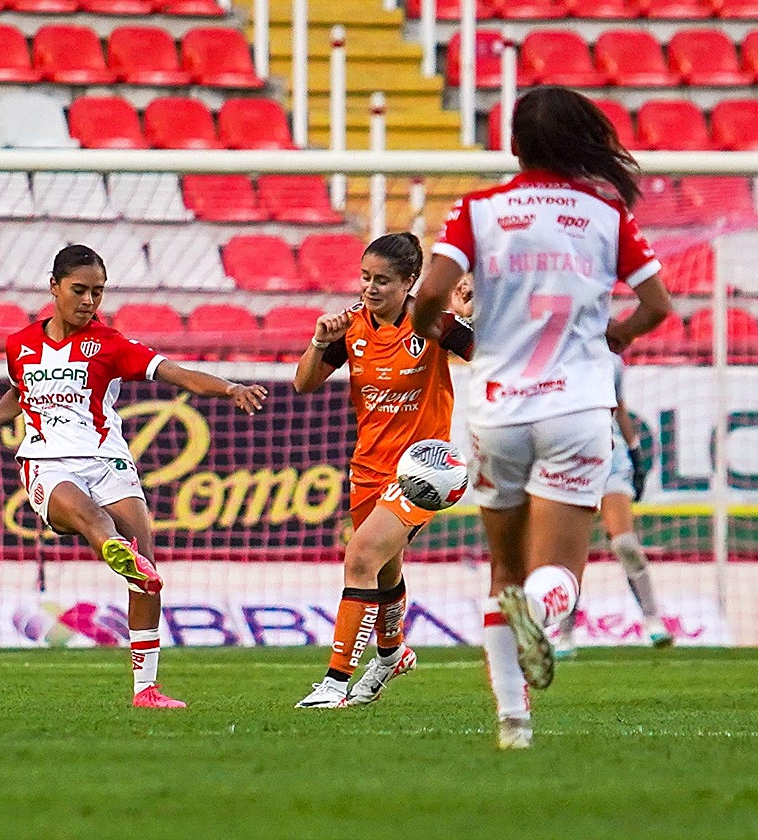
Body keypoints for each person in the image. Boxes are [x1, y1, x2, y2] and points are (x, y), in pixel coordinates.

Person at [413, 86, 674, 748]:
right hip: (578, 410)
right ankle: (539, 609)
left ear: (514, 145)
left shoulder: (478, 209)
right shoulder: (606, 213)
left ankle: (513, 723)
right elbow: (657, 305)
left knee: (502, 572)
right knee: (558, 576)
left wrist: (432, 328)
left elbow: (431, 294)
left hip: (498, 410)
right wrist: (616, 336)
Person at [0, 244, 267, 709]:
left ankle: (146, 690)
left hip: (107, 460)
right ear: (54, 287)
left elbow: (175, 375)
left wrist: (231, 388)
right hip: (48, 461)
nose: (89, 300)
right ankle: (112, 546)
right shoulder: (20, 344)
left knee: (147, 574)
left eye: (98, 291)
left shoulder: (110, 344)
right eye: (79, 290)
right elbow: (19, 391)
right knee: (95, 521)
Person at [291, 233, 474, 709]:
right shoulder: (351, 325)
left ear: (410, 282)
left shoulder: (431, 320)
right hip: (368, 467)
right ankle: (391, 654)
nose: (371, 288)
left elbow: (489, 353)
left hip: (422, 471)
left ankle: (334, 683)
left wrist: (471, 318)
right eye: (365, 277)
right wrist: (319, 342)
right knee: (385, 569)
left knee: (360, 557)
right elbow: (304, 384)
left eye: (383, 281)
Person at [554, 353, 673, 658]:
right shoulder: (553, 356)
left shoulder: (611, 361)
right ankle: (565, 634)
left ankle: (653, 620)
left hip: (611, 460)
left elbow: (618, 406)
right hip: (568, 462)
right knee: (571, 554)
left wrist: (635, 450)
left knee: (624, 543)